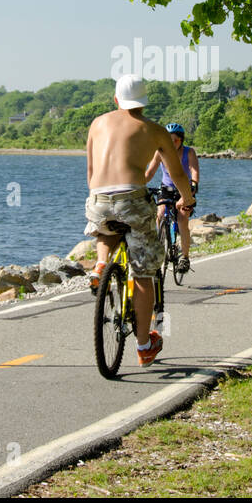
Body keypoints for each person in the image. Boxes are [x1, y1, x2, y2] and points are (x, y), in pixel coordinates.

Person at [84, 74, 195, 365]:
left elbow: (91, 168)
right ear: (144, 102)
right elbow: (178, 174)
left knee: (107, 225)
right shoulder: (155, 130)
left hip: (97, 198)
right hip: (131, 198)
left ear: (116, 99)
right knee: (144, 272)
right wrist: (187, 198)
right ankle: (144, 345)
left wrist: (101, 199)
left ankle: (99, 265)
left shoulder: (97, 123)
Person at [144, 122, 200, 275]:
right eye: (169, 140)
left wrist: (193, 187)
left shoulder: (189, 152)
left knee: (182, 219)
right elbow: (149, 174)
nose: (172, 143)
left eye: (175, 140)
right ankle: (162, 242)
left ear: (181, 140)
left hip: (185, 190)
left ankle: (185, 258)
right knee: (160, 213)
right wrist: (138, 183)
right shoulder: (160, 152)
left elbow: (194, 172)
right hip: (166, 189)